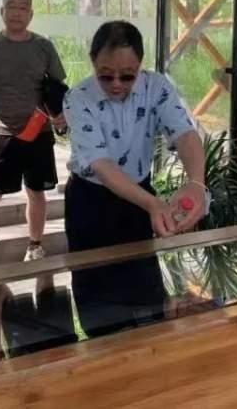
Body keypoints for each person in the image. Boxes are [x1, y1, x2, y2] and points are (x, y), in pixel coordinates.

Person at [63, 21, 207, 337]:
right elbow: (102, 165)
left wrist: (196, 184)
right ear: (93, 61)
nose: (116, 84)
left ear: (140, 65)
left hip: (139, 199)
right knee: (98, 304)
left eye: (127, 75)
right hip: (91, 202)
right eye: (106, 75)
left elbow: (185, 133)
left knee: (146, 297)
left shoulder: (156, 87)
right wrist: (154, 204)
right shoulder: (78, 98)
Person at [0, 0, 66, 269]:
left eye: (23, 7)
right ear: (2, 11)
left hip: (39, 131)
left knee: (36, 192)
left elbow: (58, 87)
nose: (17, 12)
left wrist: (60, 116)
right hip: (3, 132)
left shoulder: (44, 47)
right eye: (12, 6)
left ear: (31, 14)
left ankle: (35, 246)